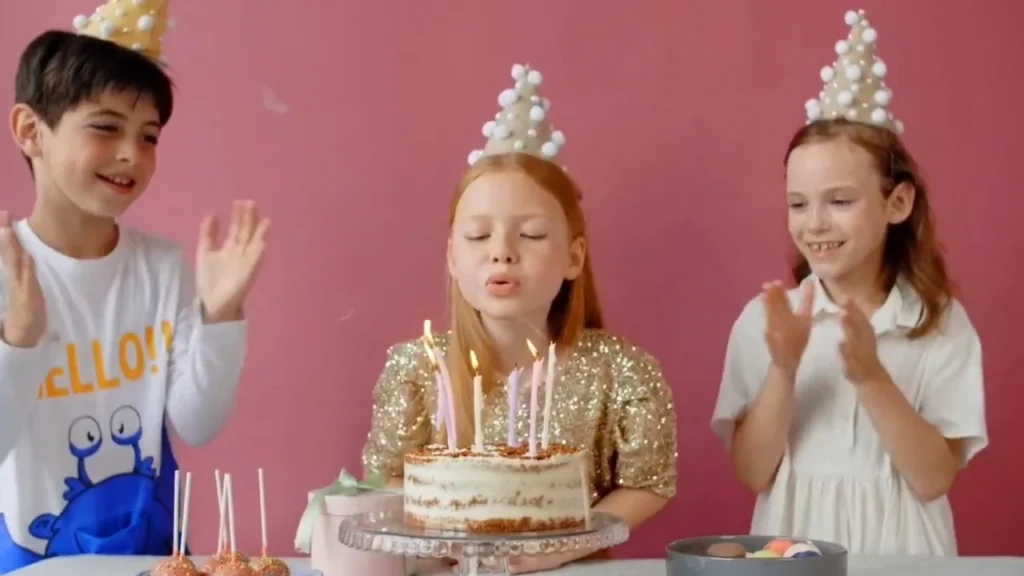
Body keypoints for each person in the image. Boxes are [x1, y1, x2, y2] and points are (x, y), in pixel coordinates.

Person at [361, 63, 677, 573]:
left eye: (530, 235)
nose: (502, 254)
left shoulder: (622, 371)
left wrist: (552, 550)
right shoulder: (415, 369)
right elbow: (388, 476)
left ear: (574, 258)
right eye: (479, 236)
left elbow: (647, 482)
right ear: (451, 257)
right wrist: (449, 542)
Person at [0, 2, 269, 572]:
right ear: (31, 131)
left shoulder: (162, 268)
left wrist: (221, 316)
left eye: (149, 136)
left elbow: (197, 423)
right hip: (28, 557)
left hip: (149, 553)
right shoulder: (7, 271)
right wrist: (19, 342)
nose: (132, 155)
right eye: (105, 127)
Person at [710, 10, 987, 556]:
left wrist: (871, 377)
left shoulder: (936, 320)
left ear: (897, 202)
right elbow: (753, 471)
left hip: (905, 549)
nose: (814, 223)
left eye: (839, 201)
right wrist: (784, 368)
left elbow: (934, 479)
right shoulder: (767, 322)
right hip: (794, 544)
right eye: (798, 203)